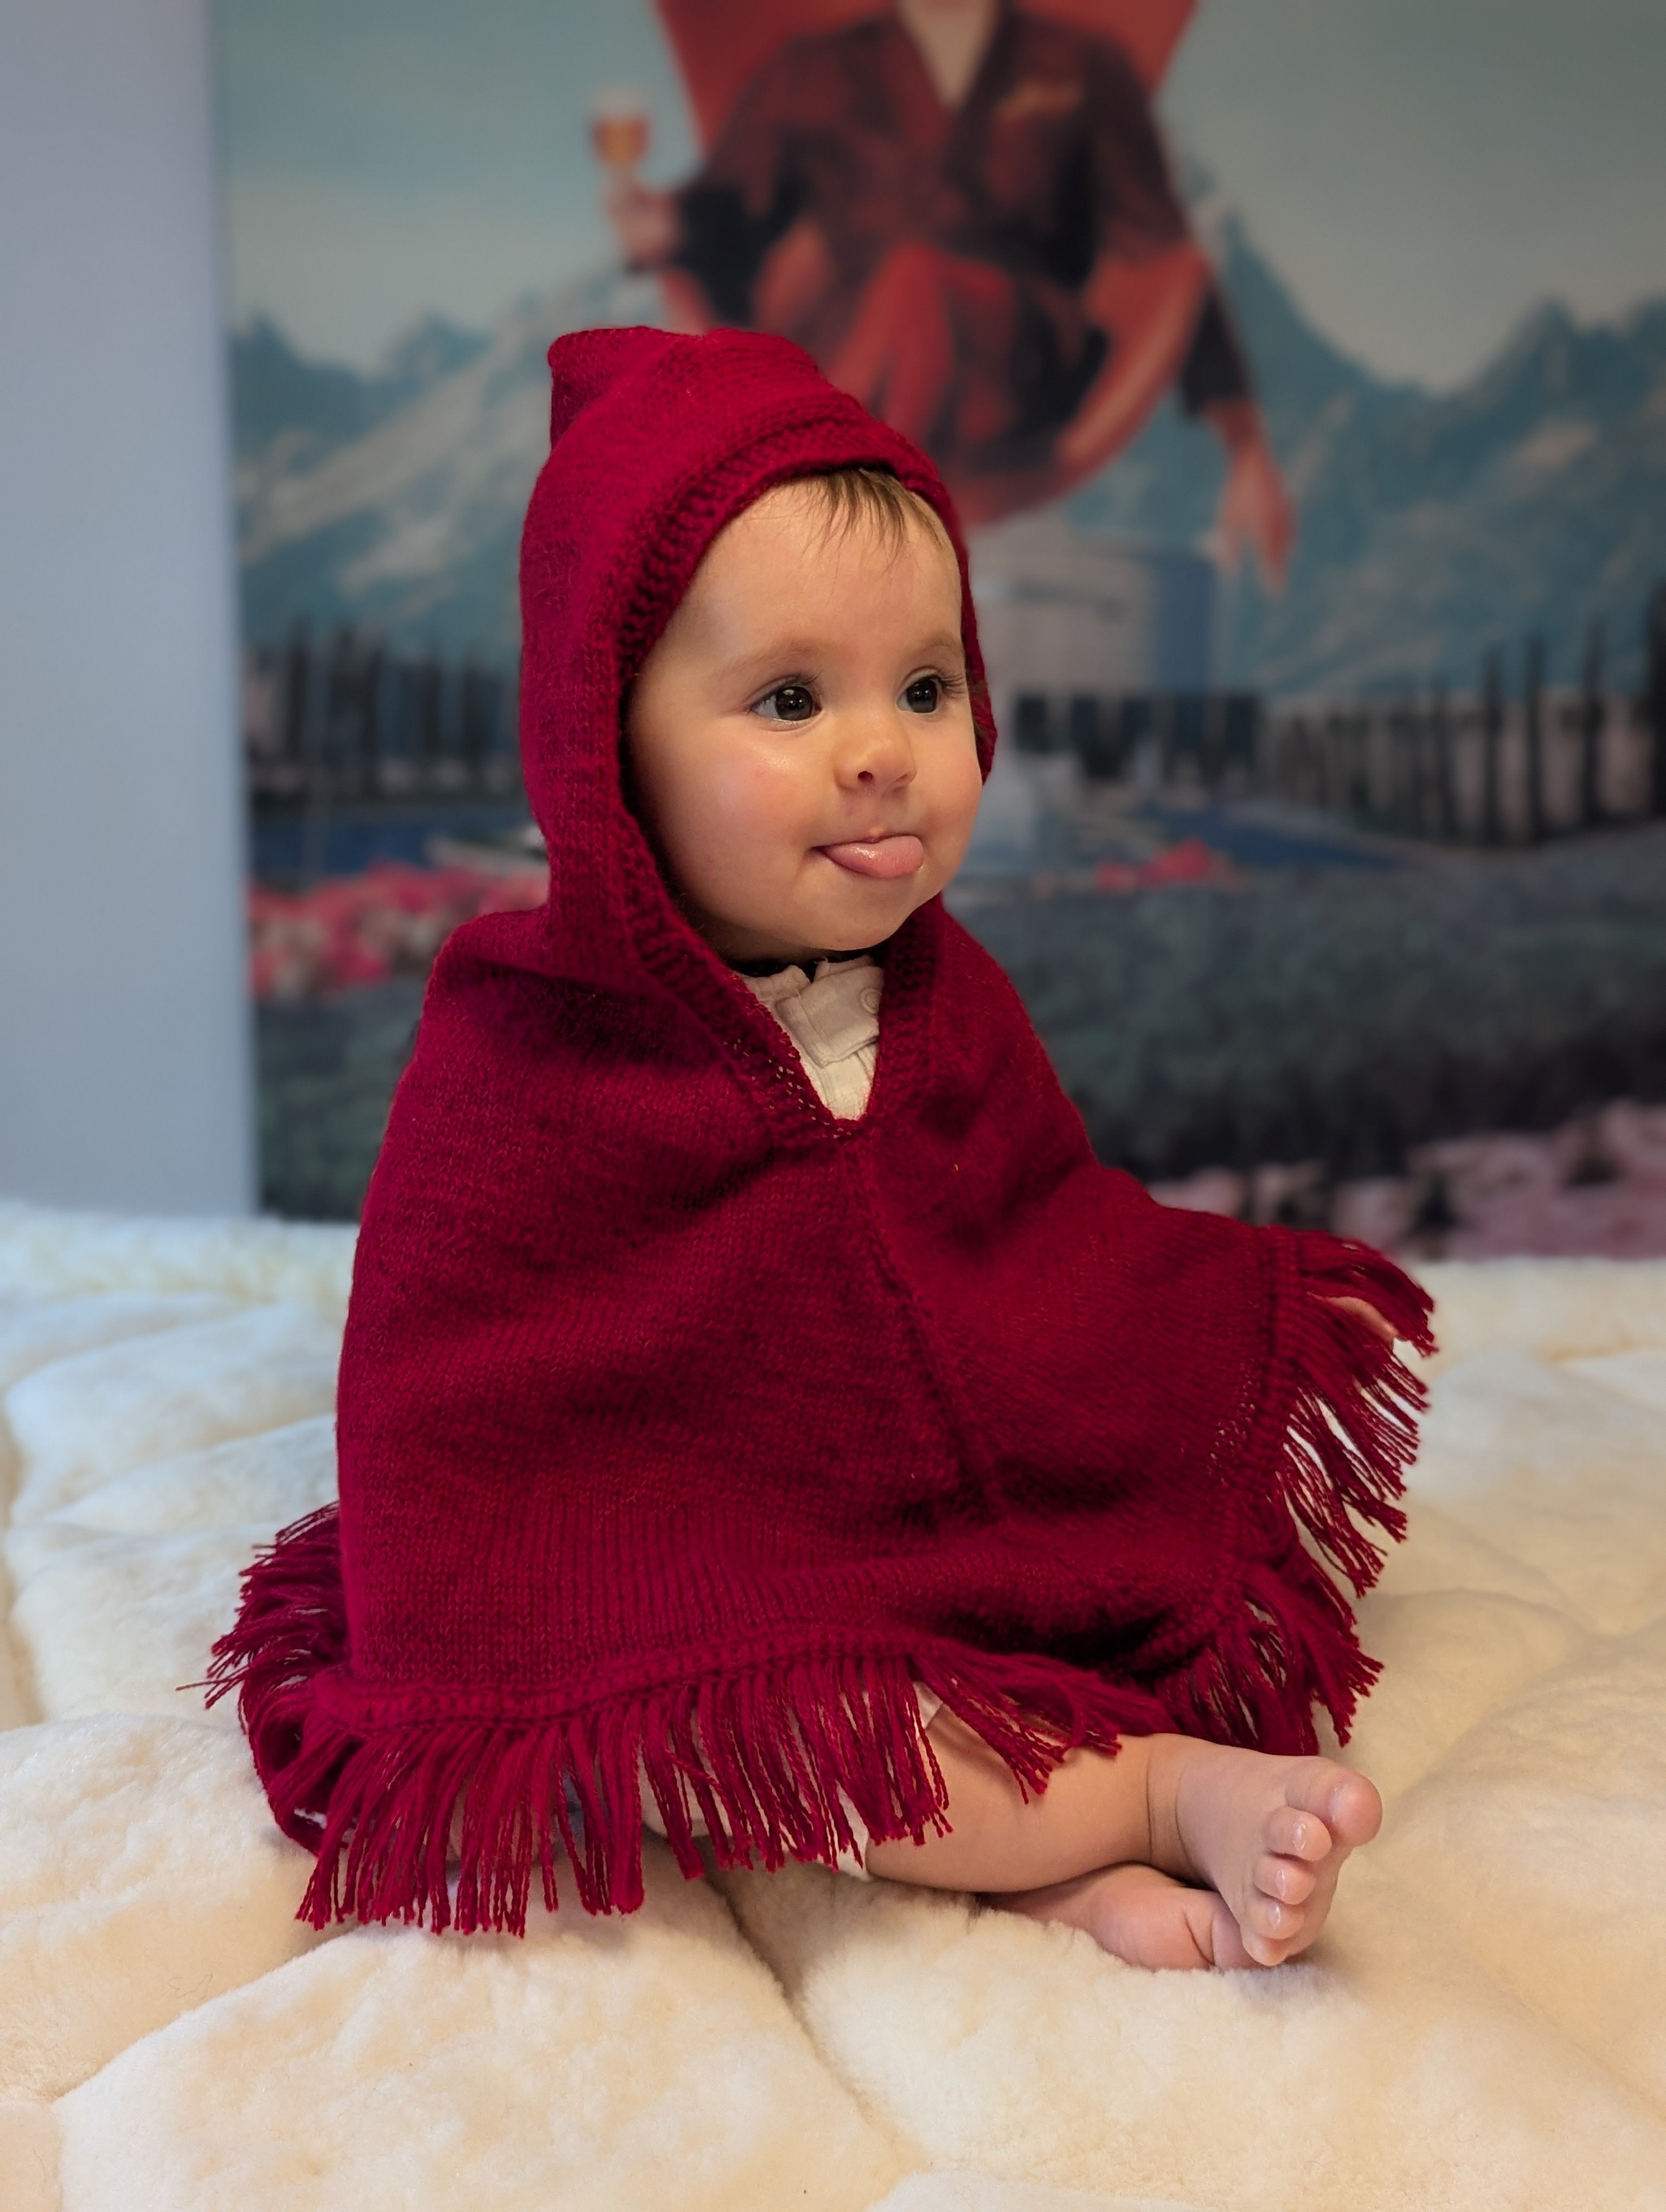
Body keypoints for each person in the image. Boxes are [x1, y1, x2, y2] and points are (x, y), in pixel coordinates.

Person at [211, 326, 1431, 1971]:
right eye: (790, 697)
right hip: (715, 1590)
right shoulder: (526, 1055)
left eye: (924, 686)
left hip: (951, 1561)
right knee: (723, 1740)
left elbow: (1027, 1249)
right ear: (606, 747)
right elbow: (467, 1402)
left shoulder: (945, 998)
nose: (882, 747)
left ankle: (1045, 1848)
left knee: (1089, 1550)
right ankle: (1137, 1803)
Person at [612, 0, 1294, 574]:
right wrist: (663, 230)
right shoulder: (810, 68)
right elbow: (721, 216)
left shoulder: (1080, 67)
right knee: (902, 288)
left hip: (1012, 362)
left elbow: (1164, 263)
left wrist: (1244, 444)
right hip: (852, 338)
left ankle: (819, 482)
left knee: (917, 277)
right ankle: (870, 514)